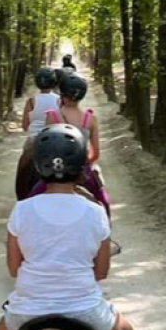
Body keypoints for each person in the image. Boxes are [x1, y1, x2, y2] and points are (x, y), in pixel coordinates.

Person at [0, 124, 140, 330]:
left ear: (38, 165)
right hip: (85, 309)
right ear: (81, 165)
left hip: (28, 310)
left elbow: (13, 268)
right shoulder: (95, 212)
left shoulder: (21, 210)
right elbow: (101, 272)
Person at [29, 71, 110, 220]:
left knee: (32, 195)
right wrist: (85, 163)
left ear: (62, 93)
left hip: (54, 169)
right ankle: (106, 229)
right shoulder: (90, 119)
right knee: (103, 199)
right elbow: (95, 153)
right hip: (81, 170)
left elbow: (45, 145)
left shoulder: (52, 116)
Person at [16, 68, 60, 200]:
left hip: (34, 139)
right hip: (54, 138)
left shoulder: (31, 101)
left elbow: (25, 126)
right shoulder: (59, 100)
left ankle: (21, 194)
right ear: (53, 83)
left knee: (23, 164)